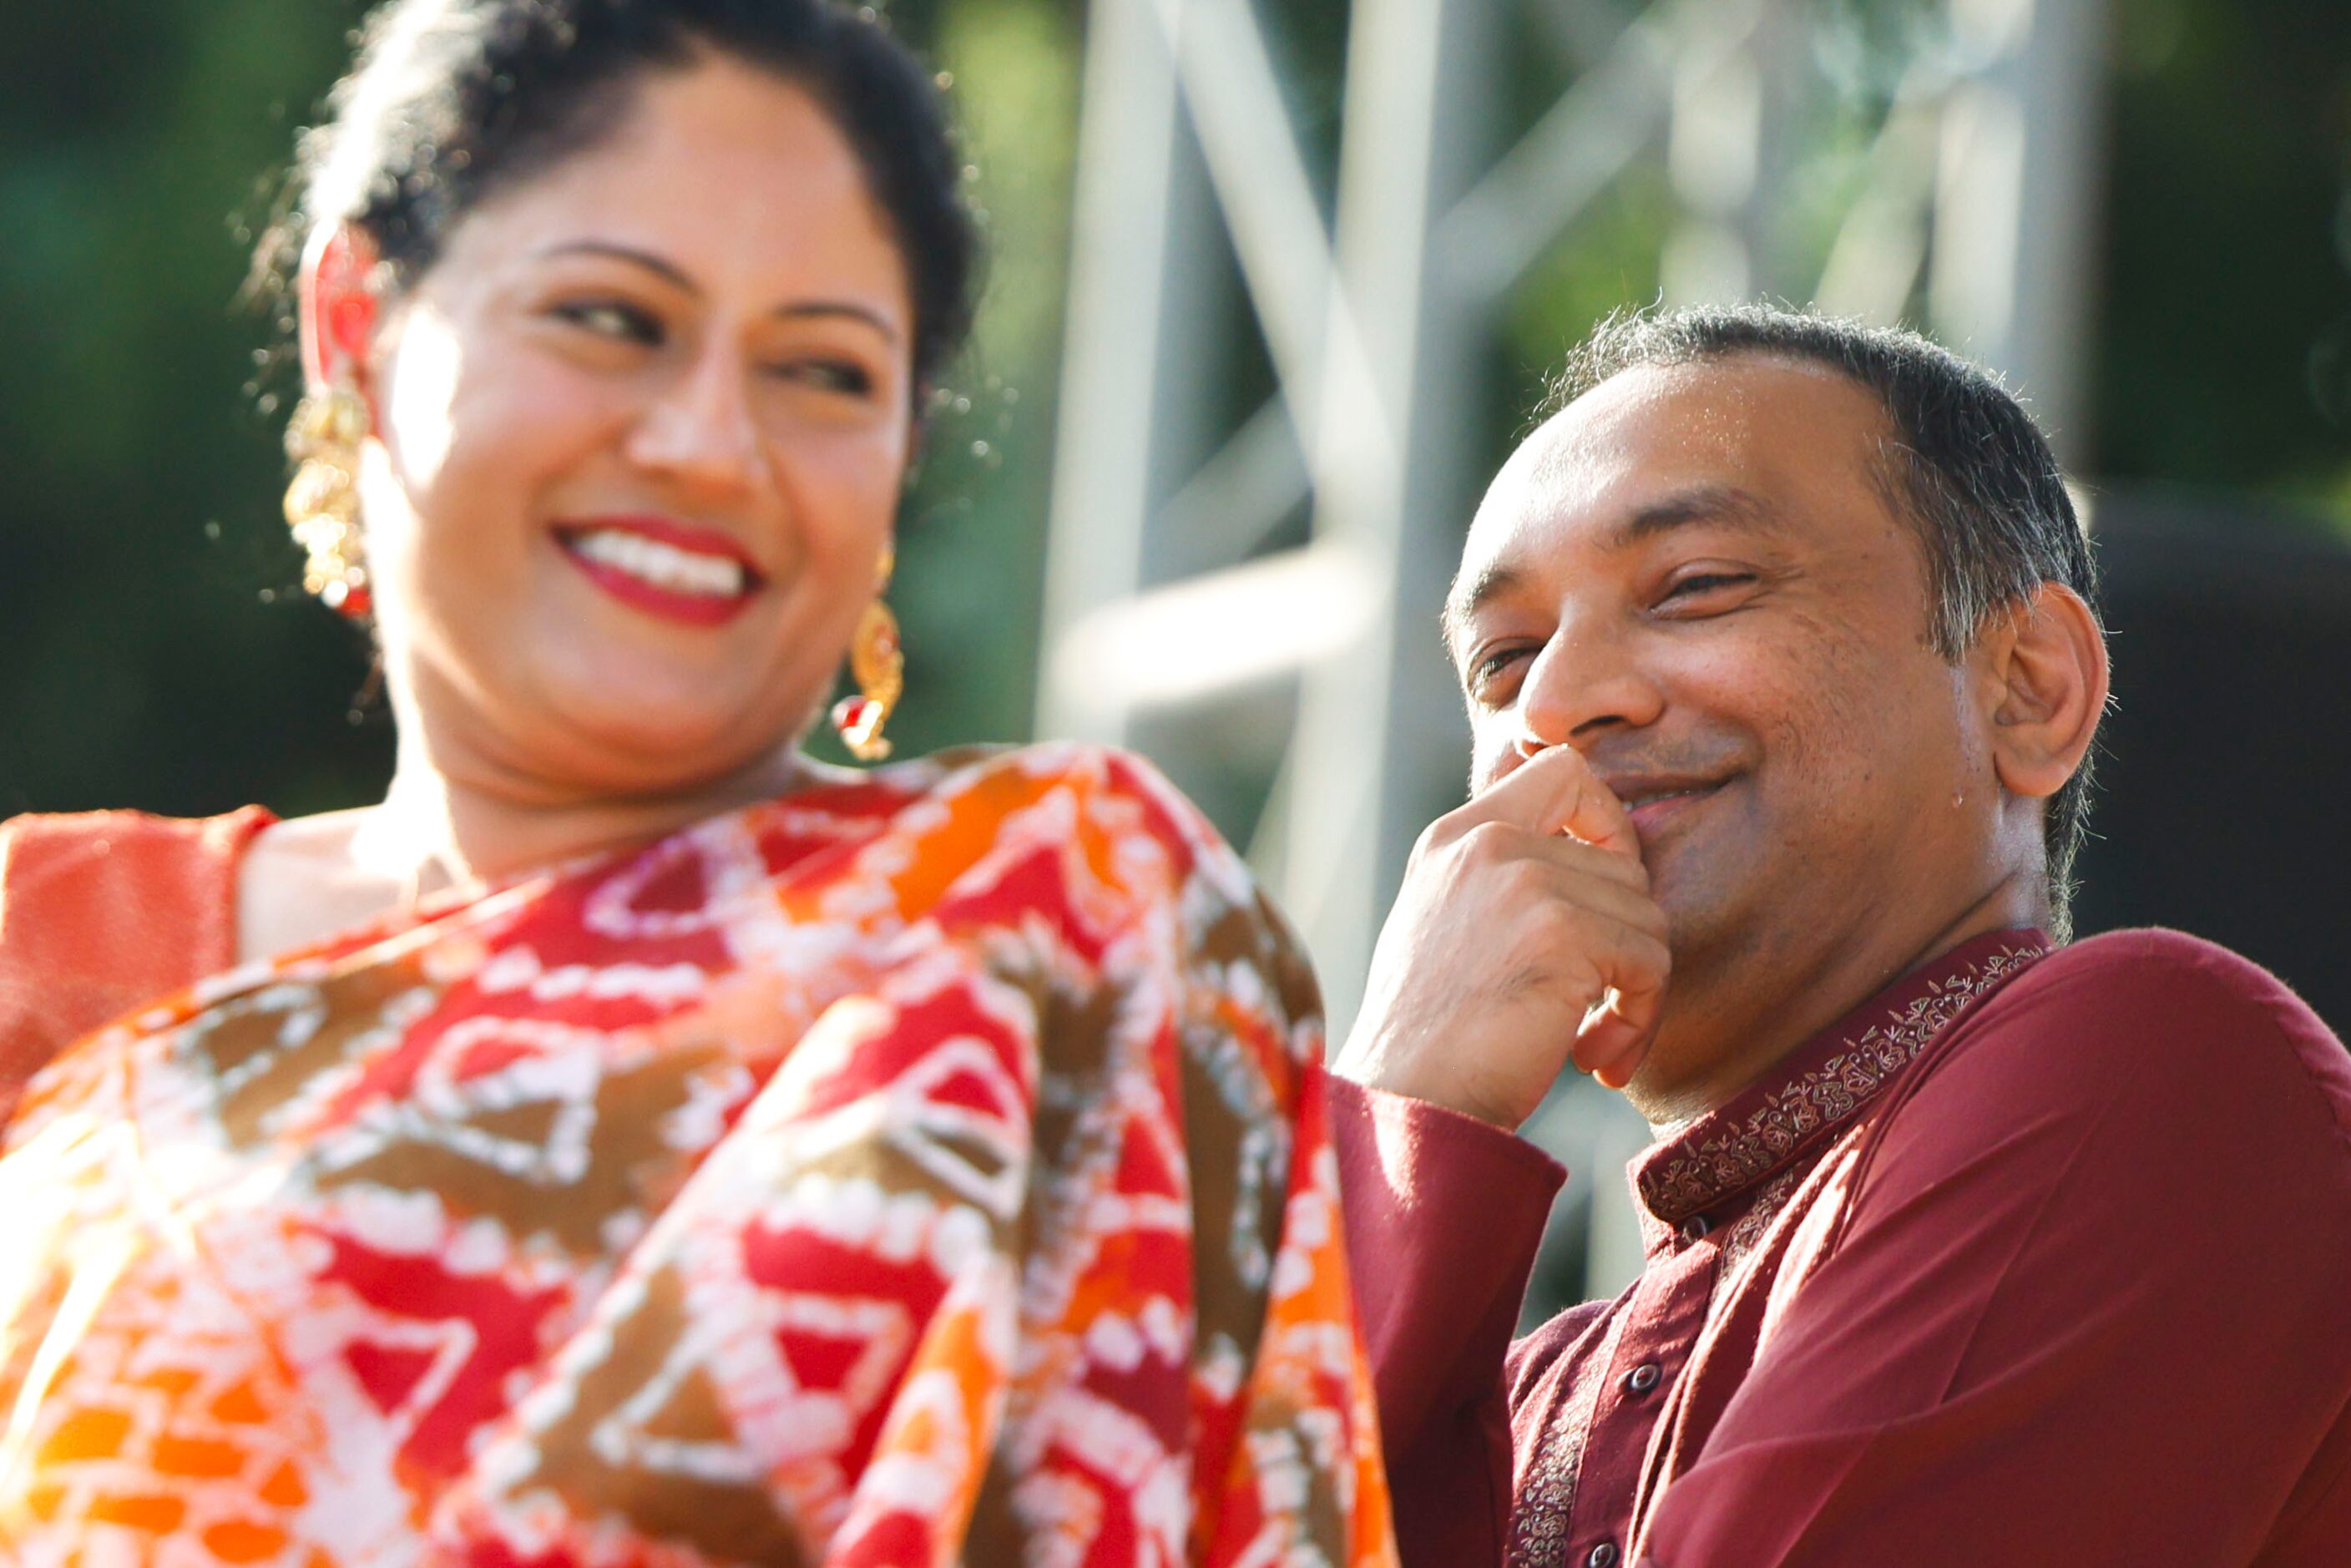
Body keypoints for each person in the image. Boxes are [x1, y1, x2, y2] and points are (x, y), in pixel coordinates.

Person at [0, 4, 1396, 1563]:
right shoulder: (40, 954)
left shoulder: (1045, 938)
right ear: (358, 325)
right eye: (612, 318)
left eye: (822, 370)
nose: (709, 444)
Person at [1326, 305, 2351, 1565]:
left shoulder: (2168, 1071)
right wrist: (1401, 1104)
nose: (1557, 704)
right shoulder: (1534, 1393)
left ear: (2029, 685)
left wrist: (1389, 1149)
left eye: (1697, 586)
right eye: (1503, 660)